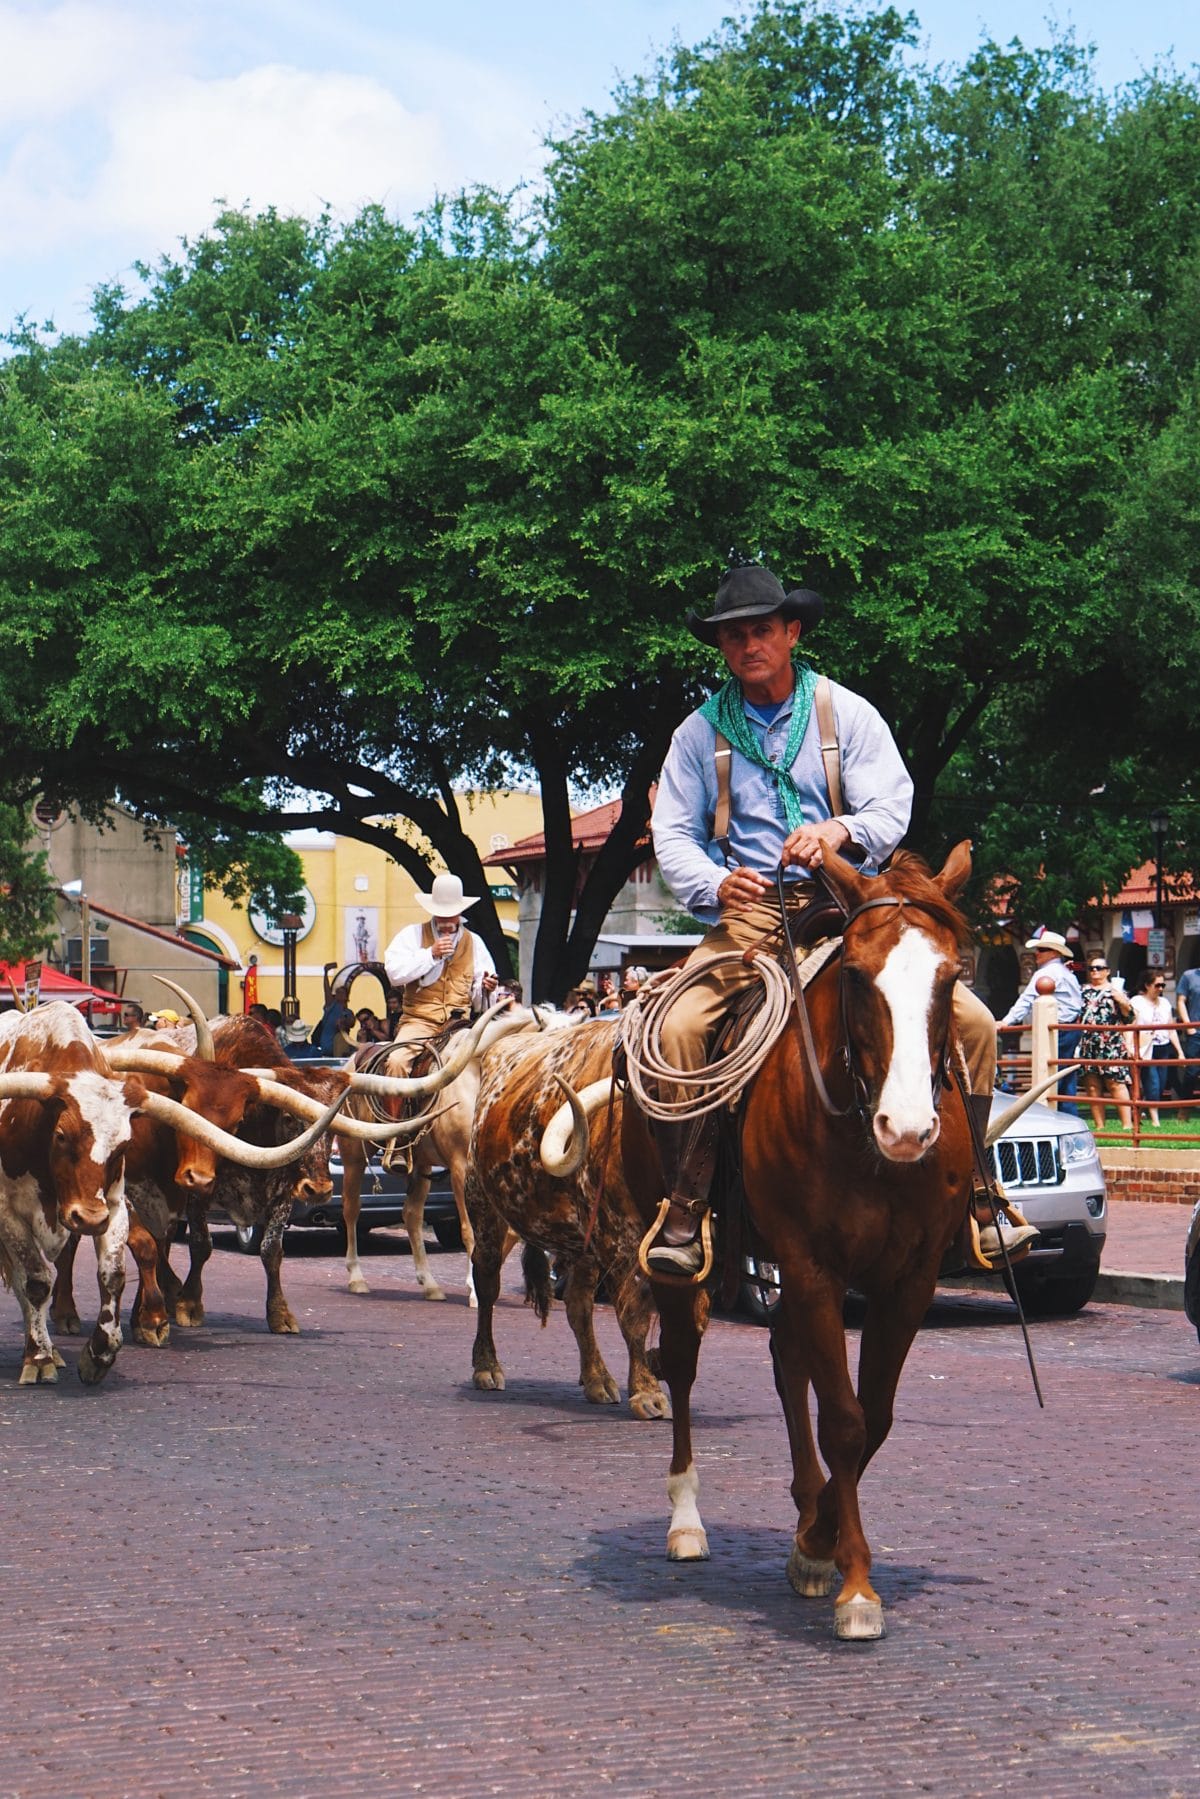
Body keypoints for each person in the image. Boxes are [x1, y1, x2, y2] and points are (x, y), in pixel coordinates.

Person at [646, 562, 1006, 1276]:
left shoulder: (846, 713)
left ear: (792, 632)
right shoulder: (697, 735)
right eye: (734, 635)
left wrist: (837, 832)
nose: (749, 645)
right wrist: (717, 883)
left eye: (762, 630)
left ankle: (980, 1192)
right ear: (722, 647)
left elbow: (890, 805)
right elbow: (672, 835)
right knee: (681, 1028)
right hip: (753, 916)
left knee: (977, 1025)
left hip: (850, 911)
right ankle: (684, 1200)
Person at [382, 872, 498, 1067]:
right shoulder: (413, 934)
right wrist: (430, 955)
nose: (445, 917)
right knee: (396, 1062)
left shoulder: (475, 942)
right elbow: (394, 973)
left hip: (460, 1026)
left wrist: (487, 987)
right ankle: (395, 1098)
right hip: (419, 1023)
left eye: (450, 912)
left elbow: (479, 1003)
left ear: (460, 912)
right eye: (441, 912)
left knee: (490, 1063)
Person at [997, 931, 1083, 1118]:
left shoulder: (1045, 974)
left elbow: (1026, 1000)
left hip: (1057, 1030)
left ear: (1054, 953)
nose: (1037, 953)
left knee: (1050, 1080)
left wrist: (1006, 1021)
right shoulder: (1067, 973)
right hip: (1071, 1028)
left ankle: (1047, 1118)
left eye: (1042, 949)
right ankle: (1069, 1119)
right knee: (1065, 1078)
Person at [1077, 956, 1134, 1130]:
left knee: (1115, 1083)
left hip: (1111, 1042)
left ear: (1107, 971)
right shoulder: (1082, 991)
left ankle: (1127, 1125)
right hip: (1088, 1042)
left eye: (1099, 968)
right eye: (1092, 968)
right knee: (1092, 1085)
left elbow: (1130, 1018)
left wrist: (1123, 1001)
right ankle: (1099, 1126)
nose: (1095, 971)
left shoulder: (1116, 990)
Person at [1130, 969, 1184, 1127]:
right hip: (1146, 1047)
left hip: (1163, 1046)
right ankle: (1155, 1121)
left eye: (1163, 985)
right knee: (1152, 1083)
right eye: (1157, 985)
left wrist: (1179, 1052)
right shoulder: (1137, 1001)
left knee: (1160, 1084)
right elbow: (1131, 1024)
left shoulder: (1165, 1003)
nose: (1160, 988)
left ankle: (1140, 1110)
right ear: (1147, 985)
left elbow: (1171, 1028)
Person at [1175, 962, 1200, 1100]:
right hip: (1196, 1031)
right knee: (1192, 1071)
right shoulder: (1189, 975)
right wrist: (1188, 1026)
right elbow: (1180, 1001)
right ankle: (1183, 1109)